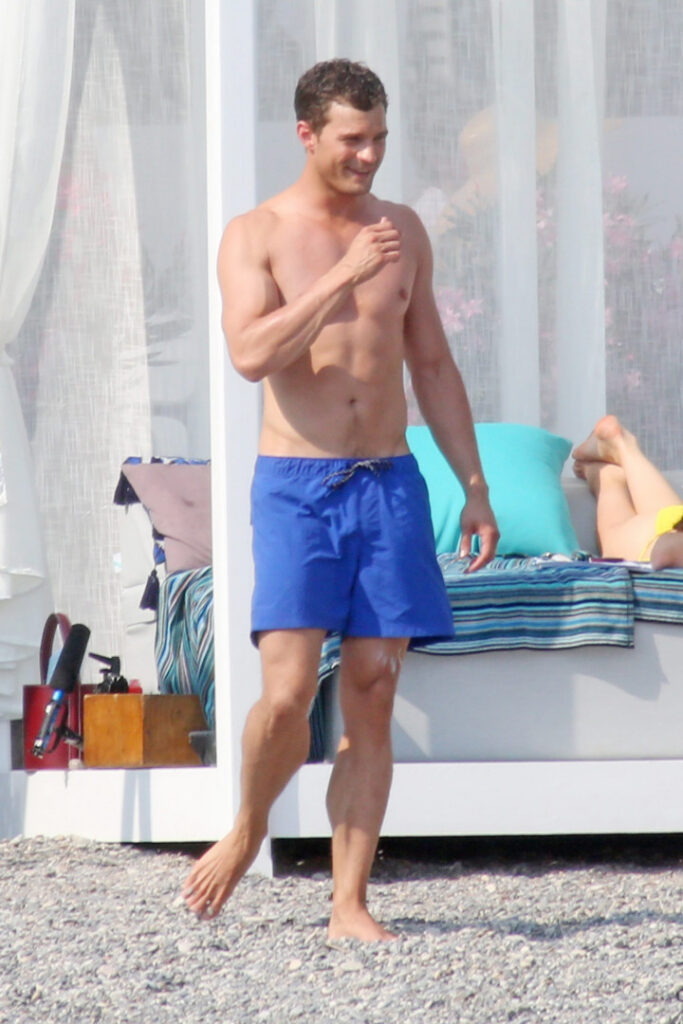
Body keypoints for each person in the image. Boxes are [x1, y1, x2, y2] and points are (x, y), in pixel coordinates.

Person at [182, 58, 498, 942]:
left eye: (380, 138)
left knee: (372, 687)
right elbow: (251, 355)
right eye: (353, 139)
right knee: (287, 695)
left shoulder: (403, 230)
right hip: (298, 487)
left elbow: (431, 364)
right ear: (306, 134)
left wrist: (473, 488)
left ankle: (348, 903)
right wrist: (340, 276)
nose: (369, 155)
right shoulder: (256, 233)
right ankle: (248, 826)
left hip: (389, 483)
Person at [572, 414, 683, 570]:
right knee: (614, 541)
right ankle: (608, 469)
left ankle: (622, 449)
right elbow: (667, 553)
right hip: (661, 544)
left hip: (671, 529)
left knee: (667, 516)